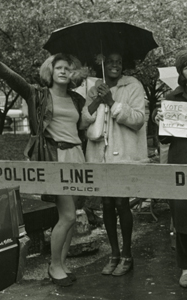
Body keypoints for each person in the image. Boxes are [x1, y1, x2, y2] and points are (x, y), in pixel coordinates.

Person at [0, 41, 87, 287]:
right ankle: (54, 266)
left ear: (73, 73)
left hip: (77, 158)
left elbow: (81, 127)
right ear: (50, 72)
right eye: (58, 67)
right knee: (68, 216)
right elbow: (11, 77)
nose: (63, 71)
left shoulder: (77, 99)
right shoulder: (38, 94)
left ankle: (61, 264)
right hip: (55, 159)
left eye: (67, 68)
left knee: (73, 216)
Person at [81, 52, 148, 276]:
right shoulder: (94, 88)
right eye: (110, 62)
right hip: (100, 156)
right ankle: (114, 254)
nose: (115, 65)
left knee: (122, 203)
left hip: (124, 155)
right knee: (107, 204)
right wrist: (99, 99)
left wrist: (112, 103)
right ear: (101, 64)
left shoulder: (133, 86)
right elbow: (84, 120)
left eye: (119, 62)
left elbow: (139, 119)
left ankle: (127, 255)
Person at [155, 49, 187, 288]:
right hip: (181, 163)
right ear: (181, 71)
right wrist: (160, 121)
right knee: (183, 216)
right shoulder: (172, 98)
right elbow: (165, 140)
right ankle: (185, 267)